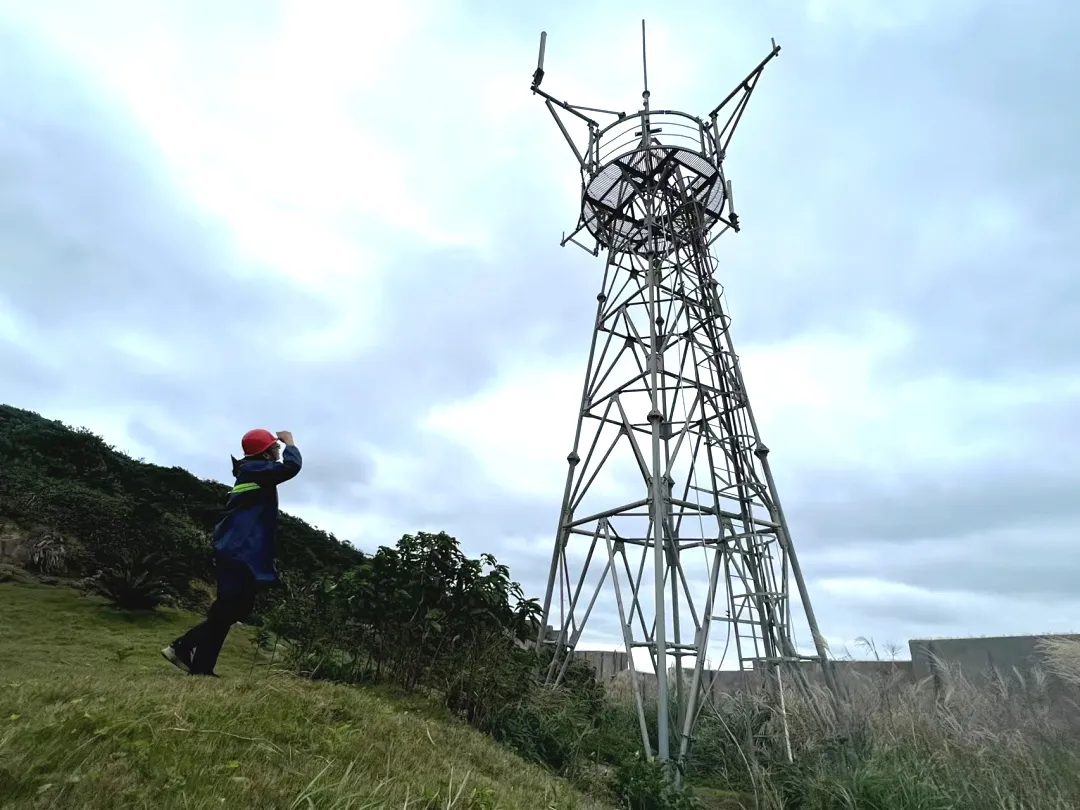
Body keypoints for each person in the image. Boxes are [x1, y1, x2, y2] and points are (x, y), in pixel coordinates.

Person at [161, 428, 302, 677]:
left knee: (226, 610)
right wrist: (290, 442)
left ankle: (202, 668)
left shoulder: (253, 470)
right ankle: (181, 646)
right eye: (275, 447)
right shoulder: (256, 469)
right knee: (232, 610)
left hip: (238, 550)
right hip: (240, 552)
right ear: (265, 453)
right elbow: (291, 467)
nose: (279, 449)